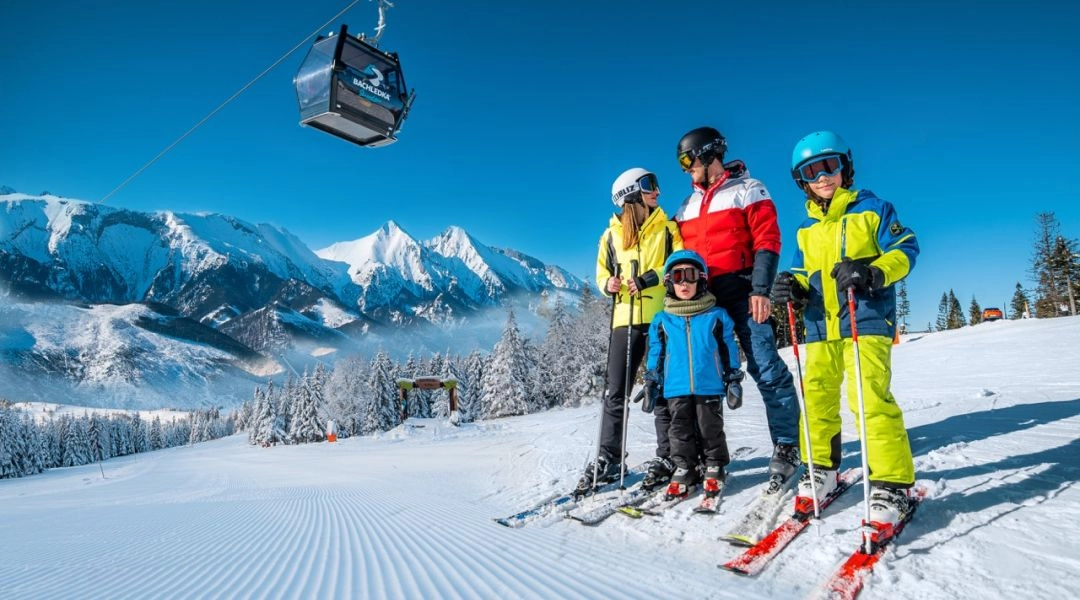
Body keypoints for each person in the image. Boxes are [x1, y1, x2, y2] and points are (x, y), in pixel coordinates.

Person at [771, 130, 919, 529]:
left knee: (869, 399)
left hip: (864, 320)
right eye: (811, 171)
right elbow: (804, 271)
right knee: (816, 400)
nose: (822, 177)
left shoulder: (873, 209)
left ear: (844, 167)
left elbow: (905, 249)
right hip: (819, 326)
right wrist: (794, 285)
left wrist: (872, 271)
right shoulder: (805, 228)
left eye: (829, 165)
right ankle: (821, 468)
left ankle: (892, 483)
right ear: (801, 180)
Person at [672, 126, 802, 485]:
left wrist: (760, 289)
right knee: (702, 376)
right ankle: (703, 455)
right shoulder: (686, 206)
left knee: (765, 365)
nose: (685, 168)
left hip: (744, 290)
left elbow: (768, 239)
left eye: (687, 159)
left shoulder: (748, 189)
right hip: (704, 299)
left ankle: (788, 444)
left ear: (708, 154)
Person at [574, 167, 684, 497]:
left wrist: (649, 279)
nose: (658, 192)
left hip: (661, 316)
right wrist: (607, 284)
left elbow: (679, 261)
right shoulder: (610, 236)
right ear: (630, 195)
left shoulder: (667, 228)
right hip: (624, 318)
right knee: (615, 392)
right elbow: (601, 272)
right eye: (650, 185)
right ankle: (609, 458)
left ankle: (668, 456)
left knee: (661, 388)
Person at [645, 250, 744, 500]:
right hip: (675, 387)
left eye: (690, 275)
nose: (684, 283)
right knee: (679, 430)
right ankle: (685, 466)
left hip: (708, 384)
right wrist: (651, 380)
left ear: (701, 278)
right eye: (677, 276)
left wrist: (733, 377)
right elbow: (656, 352)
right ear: (669, 282)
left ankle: (714, 464)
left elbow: (728, 347)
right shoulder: (662, 320)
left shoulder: (716, 315)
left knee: (710, 427)